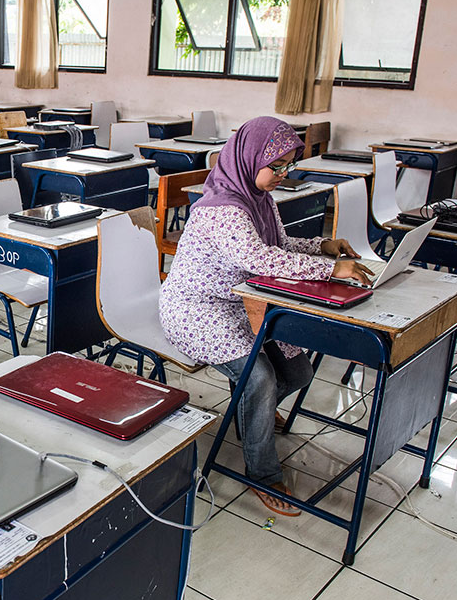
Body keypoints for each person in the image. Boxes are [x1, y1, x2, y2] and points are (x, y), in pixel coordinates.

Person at [159, 116, 372, 517]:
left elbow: (279, 244)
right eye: (275, 166)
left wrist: (322, 246)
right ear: (249, 157)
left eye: (288, 166)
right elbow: (258, 258)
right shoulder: (221, 208)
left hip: (242, 304)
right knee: (259, 377)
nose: (282, 175)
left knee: (297, 373)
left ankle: (252, 410)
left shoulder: (260, 199)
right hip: (196, 309)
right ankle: (260, 470)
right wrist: (330, 270)